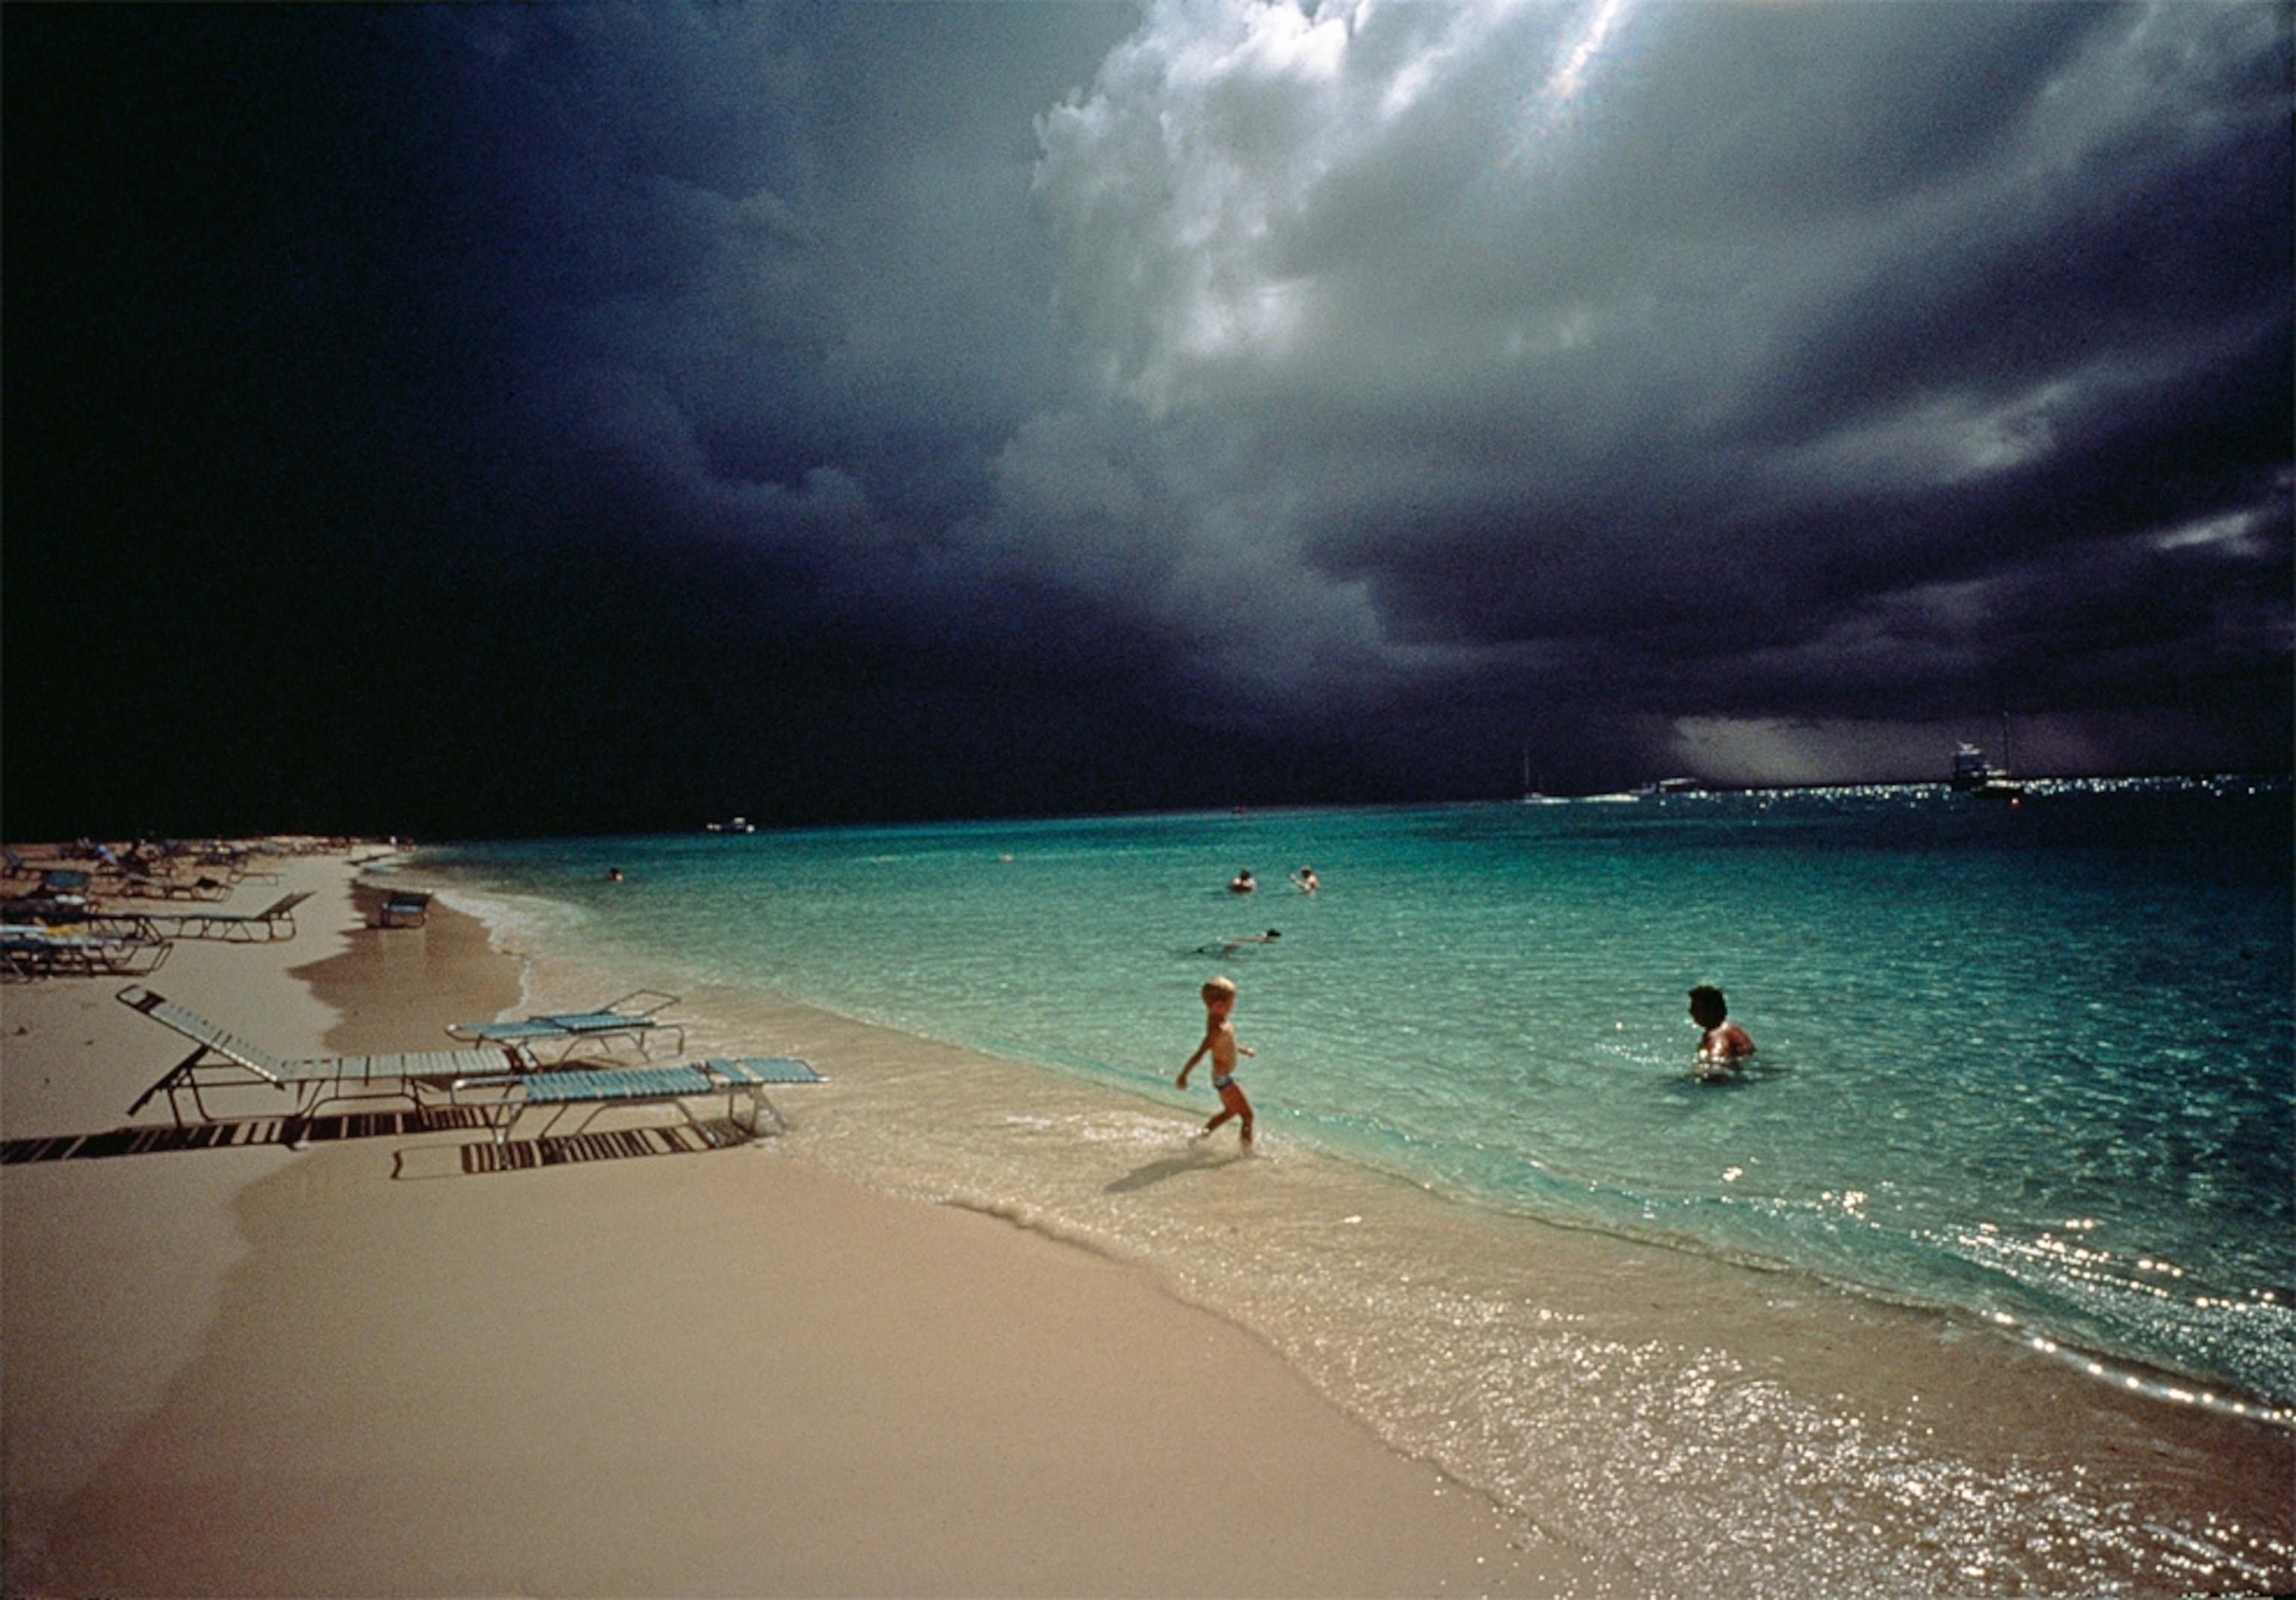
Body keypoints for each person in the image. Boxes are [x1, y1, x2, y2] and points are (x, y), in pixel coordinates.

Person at [1178, 974, 1255, 1145]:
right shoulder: (1216, 1030)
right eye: (1231, 1002)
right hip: (1223, 1079)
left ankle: (1200, 1136)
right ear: (1219, 1005)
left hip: (1223, 1078)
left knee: (1230, 1112)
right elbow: (1199, 1053)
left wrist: (1243, 1050)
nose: (1233, 1005)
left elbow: (1227, 1045)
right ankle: (1246, 1153)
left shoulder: (1222, 1022)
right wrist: (1183, 1076)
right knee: (1248, 1116)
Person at [1688, 984, 1755, 1069]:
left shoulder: (1717, 1034)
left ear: (1710, 1010)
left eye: (1695, 1007)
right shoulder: (1732, 1029)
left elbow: (1716, 1062)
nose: (1690, 1011)